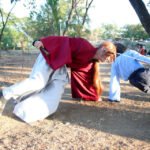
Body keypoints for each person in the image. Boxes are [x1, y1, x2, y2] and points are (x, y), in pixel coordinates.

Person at [0, 36, 116, 123]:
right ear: (103, 49)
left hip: (60, 65)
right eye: (107, 55)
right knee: (38, 83)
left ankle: (25, 111)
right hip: (51, 56)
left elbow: (87, 80)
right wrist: (39, 41)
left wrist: (94, 96)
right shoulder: (83, 44)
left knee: (55, 92)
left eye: (108, 58)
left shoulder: (90, 63)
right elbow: (62, 41)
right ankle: (4, 93)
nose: (106, 59)